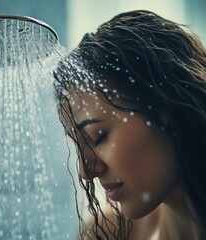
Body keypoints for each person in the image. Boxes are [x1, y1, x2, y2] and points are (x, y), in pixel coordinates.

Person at [53, 10, 206, 239]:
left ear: (164, 107)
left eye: (98, 136)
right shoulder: (106, 235)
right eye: (78, 145)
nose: (85, 172)